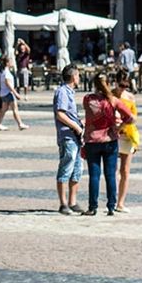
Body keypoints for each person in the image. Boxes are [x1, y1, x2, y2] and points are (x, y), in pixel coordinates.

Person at [82, 74, 134, 216]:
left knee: (94, 175)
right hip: (110, 140)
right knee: (110, 175)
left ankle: (92, 207)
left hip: (92, 141)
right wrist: (119, 127)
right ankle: (111, 206)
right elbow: (130, 117)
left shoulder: (88, 99)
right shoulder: (113, 101)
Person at [53, 64, 84, 215]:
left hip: (76, 136)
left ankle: (73, 201)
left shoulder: (70, 92)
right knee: (66, 167)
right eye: (78, 75)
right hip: (67, 135)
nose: (79, 78)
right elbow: (60, 114)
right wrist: (76, 127)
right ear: (73, 77)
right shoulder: (62, 92)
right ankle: (63, 203)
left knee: (77, 169)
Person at [114, 68, 139, 213]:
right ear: (116, 83)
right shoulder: (110, 95)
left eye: (126, 86)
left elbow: (134, 118)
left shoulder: (130, 97)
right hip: (112, 134)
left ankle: (120, 203)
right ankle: (112, 199)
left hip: (127, 134)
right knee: (112, 169)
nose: (123, 89)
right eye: (121, 85)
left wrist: (125, 123)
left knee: (125, 170)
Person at [0, 56, 28, 131]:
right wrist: (16, 93)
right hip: (8, 93)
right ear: (7, 63)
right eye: (11, 61)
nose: (12, 63)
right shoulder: (6, 73)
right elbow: (8, 84)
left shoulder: (4, 72)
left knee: (4, 109)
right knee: (15, 109)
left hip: (3, 93)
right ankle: (20, 124)